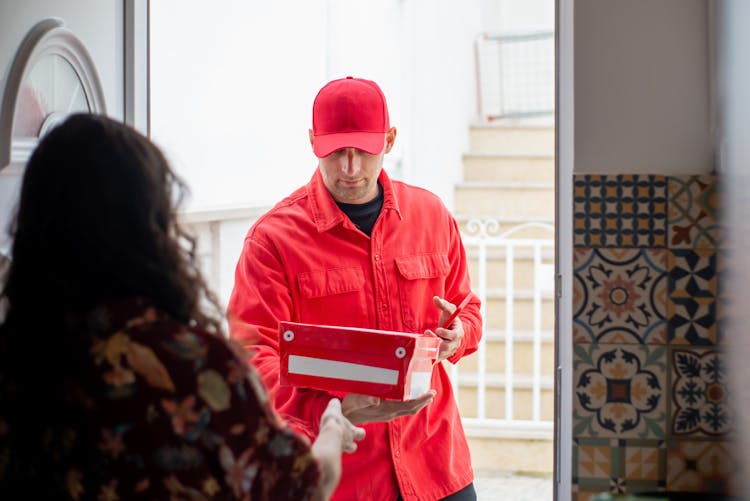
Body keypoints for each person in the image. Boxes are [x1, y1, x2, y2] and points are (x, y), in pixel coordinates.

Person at [0, 113, 365, 500]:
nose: (350, 165)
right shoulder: (193, 367)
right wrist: (331, 426)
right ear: (149, 227)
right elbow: (302, 486)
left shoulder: (15, 358)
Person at [227, 76, 483, 501]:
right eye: (335, 152)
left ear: (390, 139)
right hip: (344, 476)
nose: (350, 168)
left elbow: (467, 308)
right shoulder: (272, 240)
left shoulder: (432, 215)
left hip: (437, 464)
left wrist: (457, 337)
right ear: (313, 141)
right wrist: (332, 409)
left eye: (364, 150)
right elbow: (251, 360)